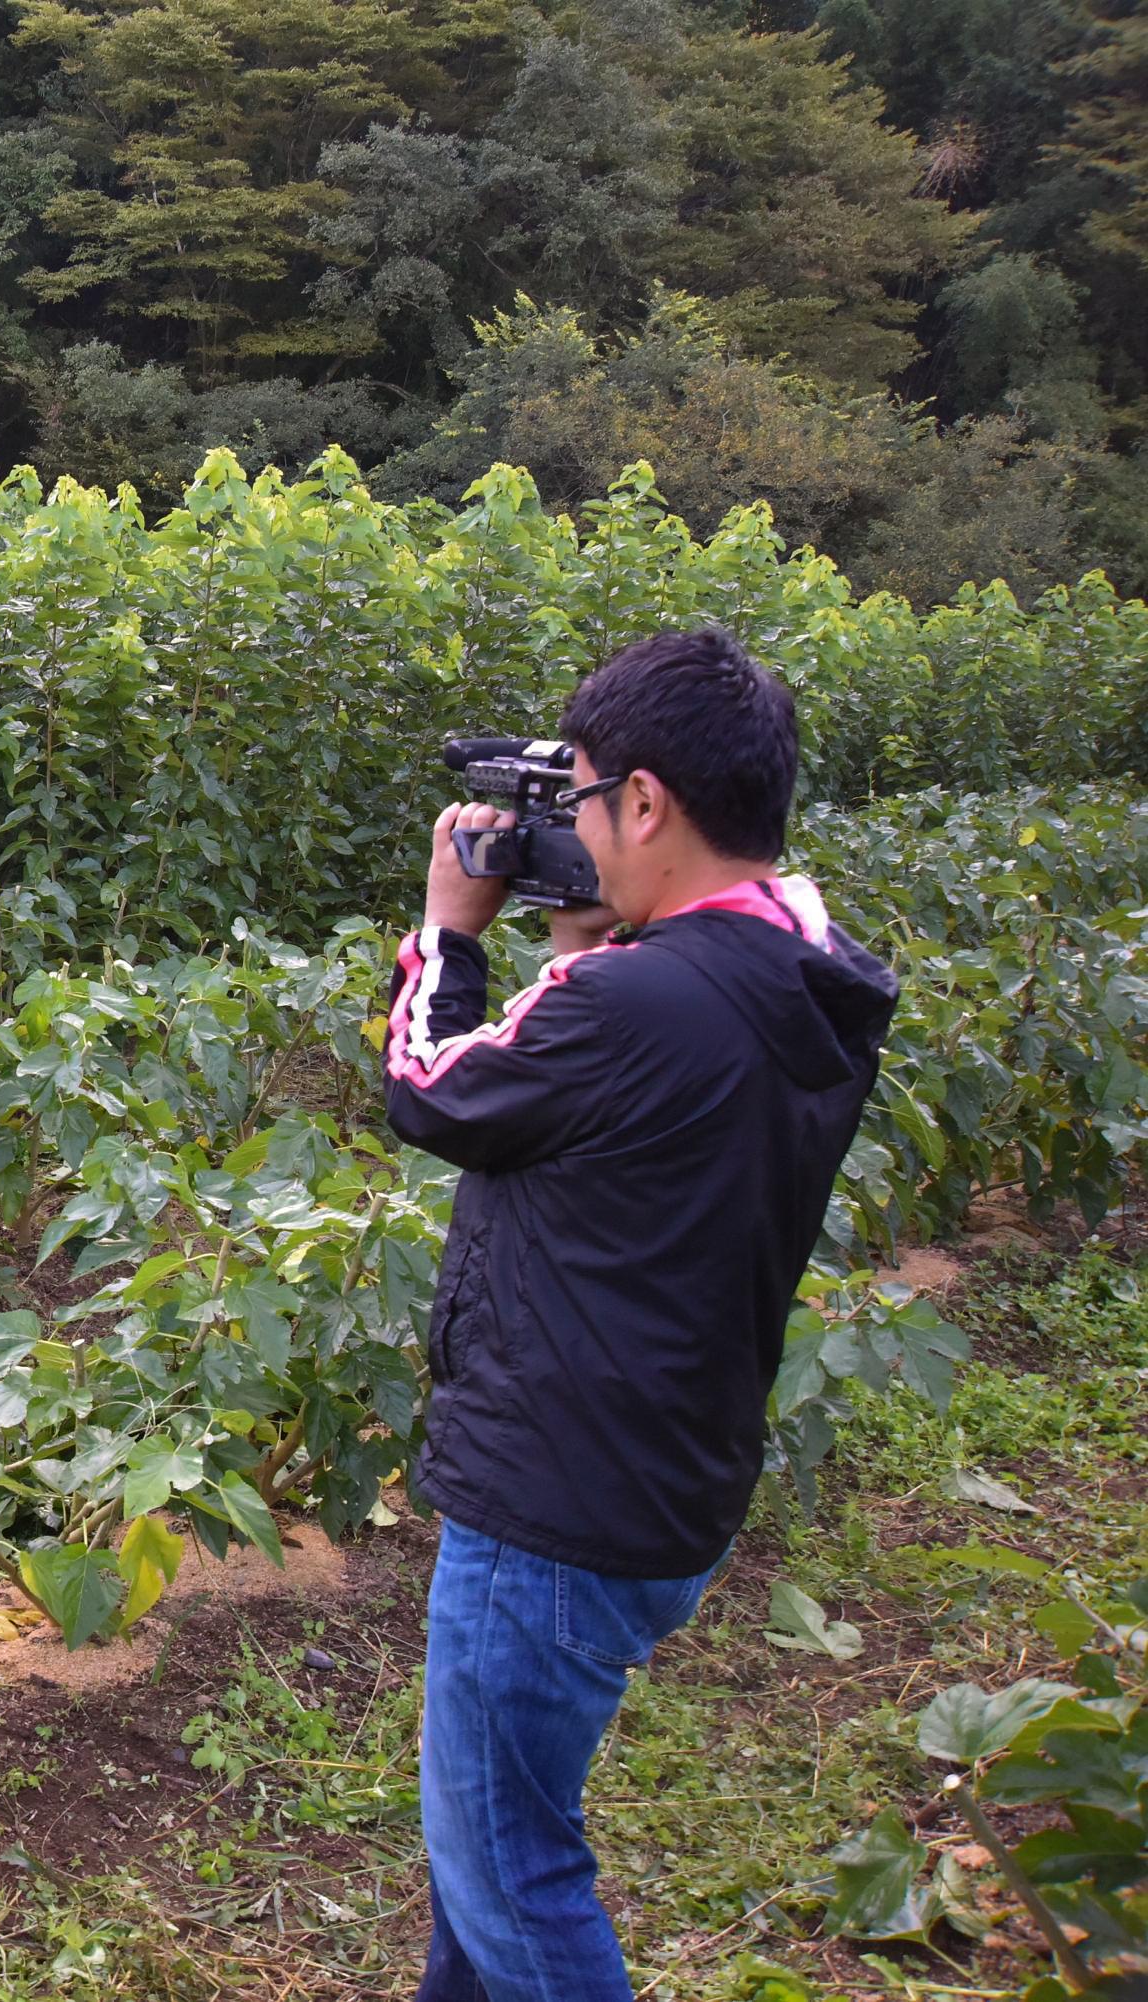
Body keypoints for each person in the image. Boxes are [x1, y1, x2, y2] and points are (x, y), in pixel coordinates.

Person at [383, 629, 895, 2002]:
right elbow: (633, 1120)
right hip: (664, 1466)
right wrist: (581, 939)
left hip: (554, 1497)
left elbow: (433, 1088)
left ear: (650, 801)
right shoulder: (807, 966)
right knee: (487, 1849)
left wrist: (449, 927)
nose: (578, 826)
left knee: (514, 1873)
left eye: (588, 801)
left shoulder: (634, 1001)